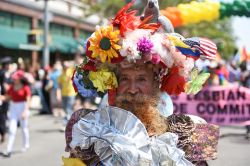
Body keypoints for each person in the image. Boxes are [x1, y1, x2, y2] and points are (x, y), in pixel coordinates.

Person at [63, 1, 219, 165]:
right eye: (124, 78)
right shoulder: (86, 126)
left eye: (141, 79)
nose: (131, 89)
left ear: (157, 79)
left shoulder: (191, 129)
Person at [0, 70, 31, 157]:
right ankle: (8, 149)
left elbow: (28, 100)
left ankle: (26, 144)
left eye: (16, 78)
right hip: (13, 107)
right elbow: (7, 97)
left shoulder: (25, 87)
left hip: (22, 107)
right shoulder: (12, 87)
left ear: (20, 78)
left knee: (24, 128)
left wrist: (25, 111)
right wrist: (2, 97)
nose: (14, 79)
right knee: (11, 129)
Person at [0, 57, 12, 144]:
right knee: (3, 116)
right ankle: (3, 133)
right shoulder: (4, 73)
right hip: (3, 97)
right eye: (9, 64)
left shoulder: (2, 72)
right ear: (6, 65)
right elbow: (5, 85)